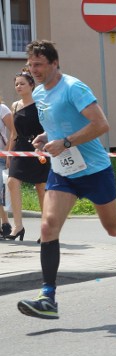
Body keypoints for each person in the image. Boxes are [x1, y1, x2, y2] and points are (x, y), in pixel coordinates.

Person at [16, 40, 116, 320]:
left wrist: (66, 142)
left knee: (113, 227)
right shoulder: (41, 93)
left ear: (54, 63)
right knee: (48, 226)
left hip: (94, 170)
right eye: (31, 65)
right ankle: (48, 297)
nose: (34, 71)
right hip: (63, 172)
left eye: (39, 65)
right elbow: (56, 125)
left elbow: (101, 125)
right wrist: (46, 138)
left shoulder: (73, 88)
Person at [4, 68, 50, 242]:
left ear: (32, 85)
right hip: (20, 147)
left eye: (22, 83)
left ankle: (46, 229)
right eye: (16, 84)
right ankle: (18, 226)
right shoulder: (15, 106)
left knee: (41, 187)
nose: (18, 86)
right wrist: (9, 153)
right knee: (11, 182)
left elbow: (48, 128)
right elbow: (14, 133)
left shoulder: (40, 105)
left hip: (38, 148)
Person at [0, 94, 12, 237]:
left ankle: (5, 222)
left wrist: (7, 153)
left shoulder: (2, 108)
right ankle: (5, 224)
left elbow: (14, 131)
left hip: (1, 155)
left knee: (1, 190)